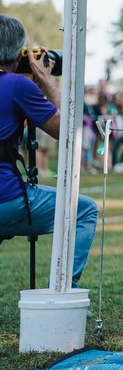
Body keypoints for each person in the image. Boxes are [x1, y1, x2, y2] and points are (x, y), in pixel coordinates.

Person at [0, 15, 98, 287]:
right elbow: (67, 132)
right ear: (18, 50)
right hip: (5, 198)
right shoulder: (18, 86)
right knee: (85, 210)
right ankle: (65, 290)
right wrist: (47, 83)